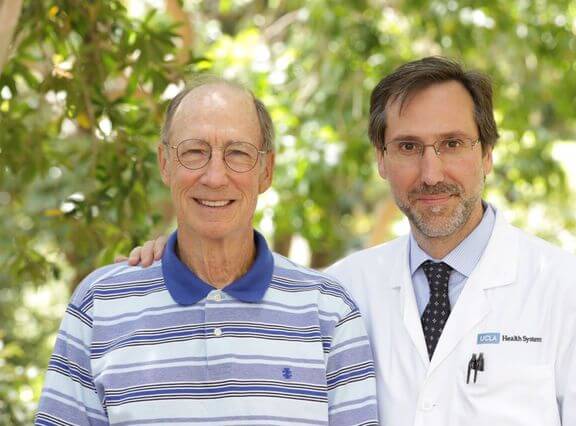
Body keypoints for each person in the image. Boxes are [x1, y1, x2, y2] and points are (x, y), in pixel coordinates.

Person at [125, 57, 576, 425]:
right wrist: (173, 253)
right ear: (381, 159)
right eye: (408, 146)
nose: (431, 171)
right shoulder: (338, 294)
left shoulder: (568, 292)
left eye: (453, 144)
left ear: (487, 155)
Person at [36, 78, 378, 425]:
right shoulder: (99, 305)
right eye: (195, 151)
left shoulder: (328, 312)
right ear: (165, 163)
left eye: (238, 153)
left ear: (266, 170)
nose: (215, 177)